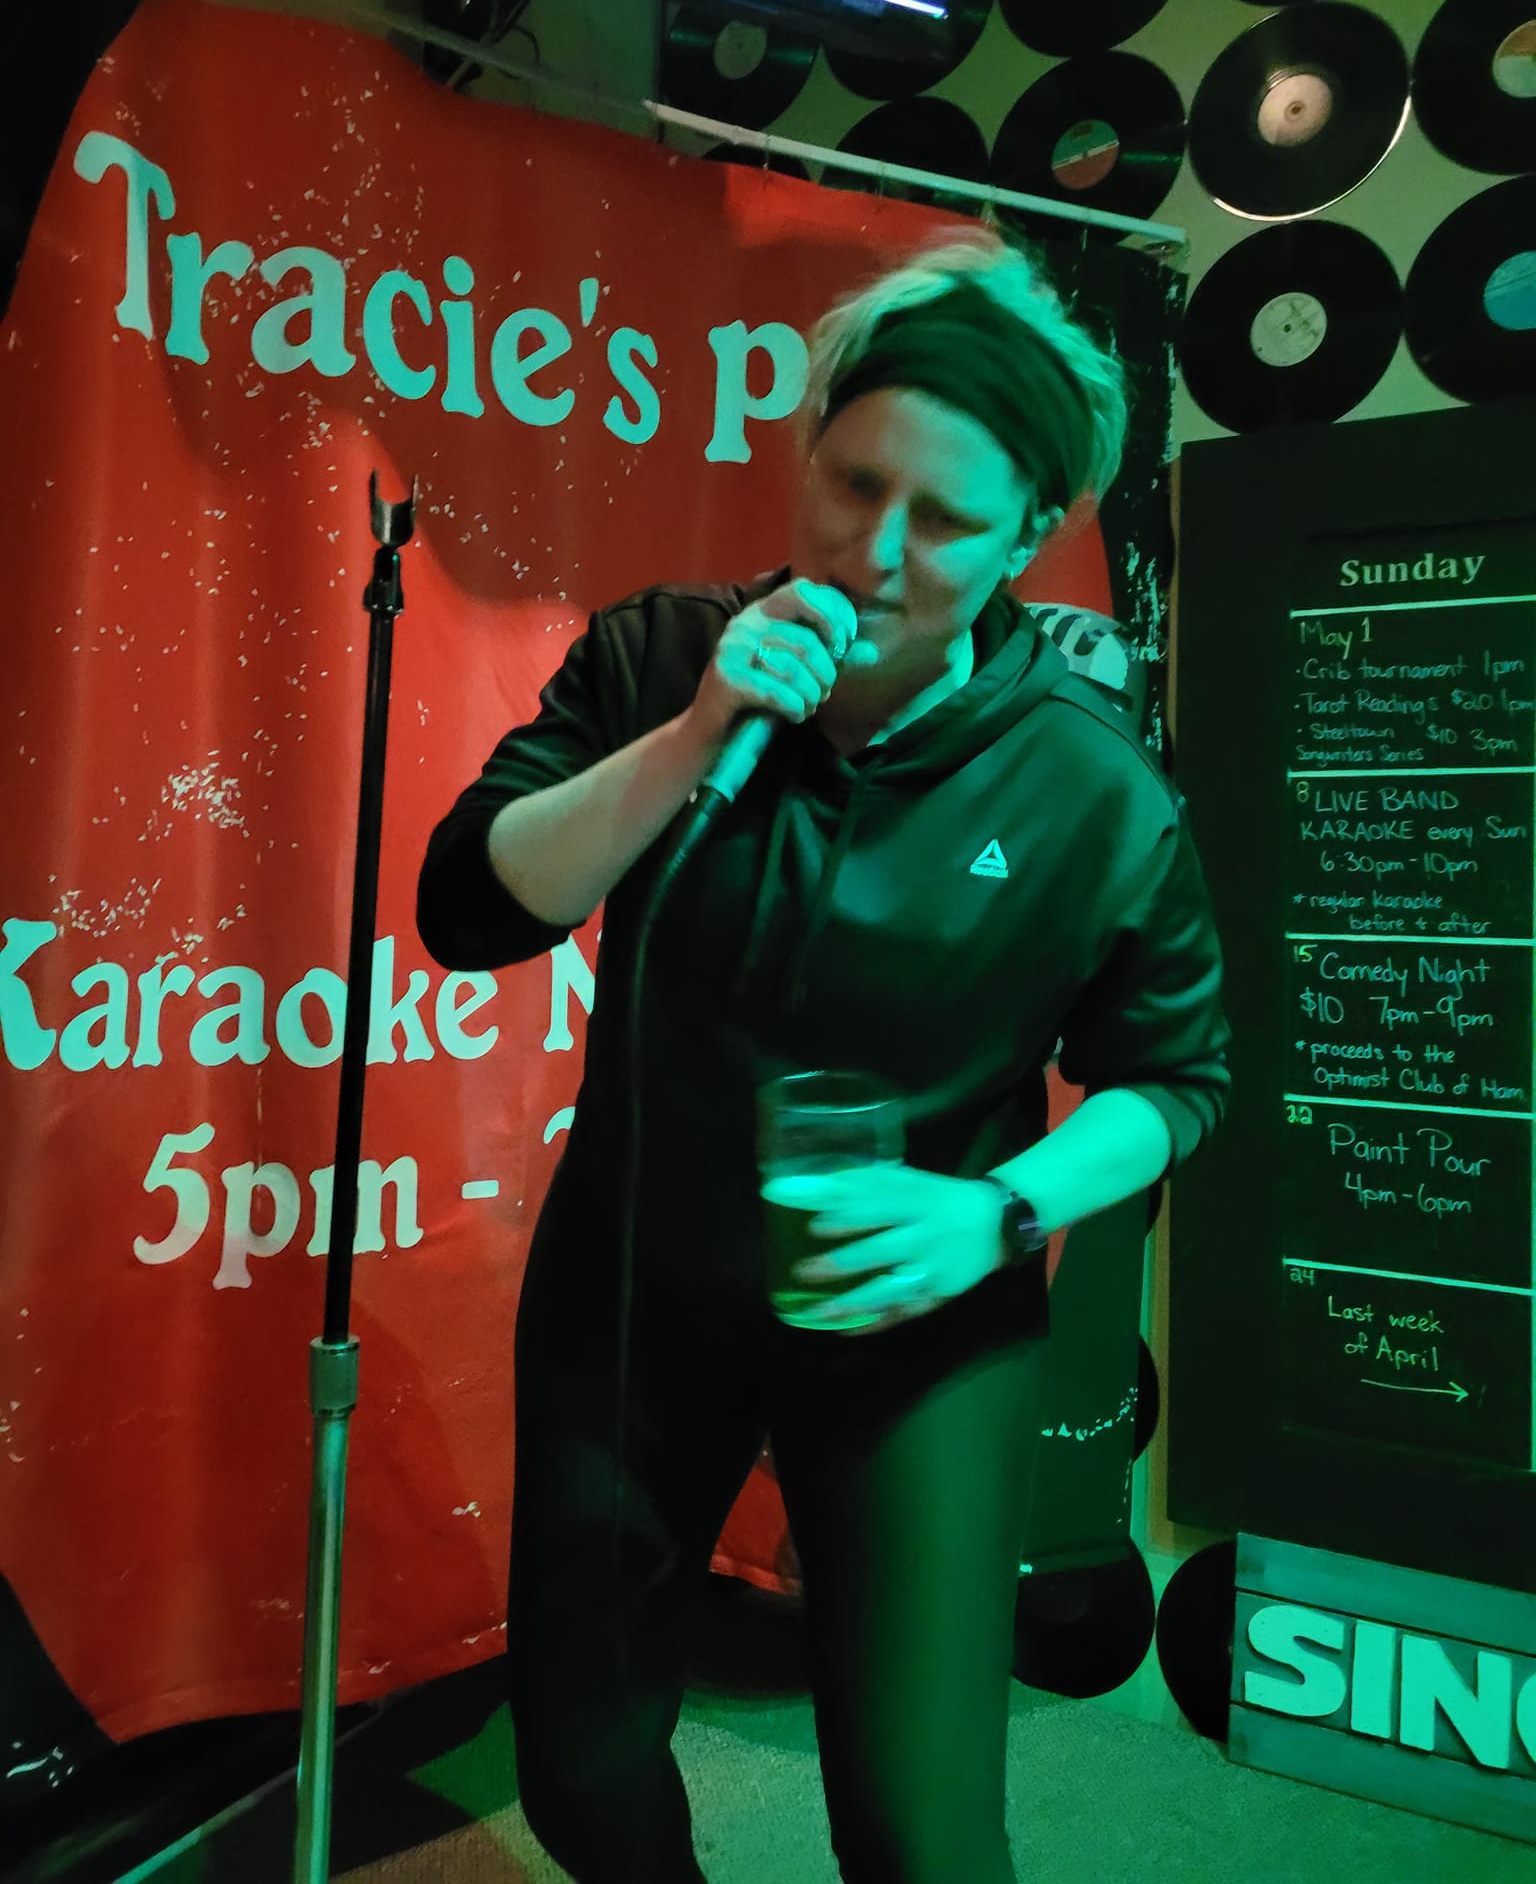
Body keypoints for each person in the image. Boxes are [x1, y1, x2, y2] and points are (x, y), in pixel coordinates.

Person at [416, 231, 1231, 1884]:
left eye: (943, 521)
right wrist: (694, 732)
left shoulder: (1088, 785)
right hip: (640, 1283)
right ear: (804, 457)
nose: (875, 551)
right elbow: (472, 906)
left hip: (921, 1313)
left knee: (919, 1834)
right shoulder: (661, 656)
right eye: (853, 485)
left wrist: (1000, 1211)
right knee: (578, 1777)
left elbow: (1180, 1080)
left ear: (1024, 538)